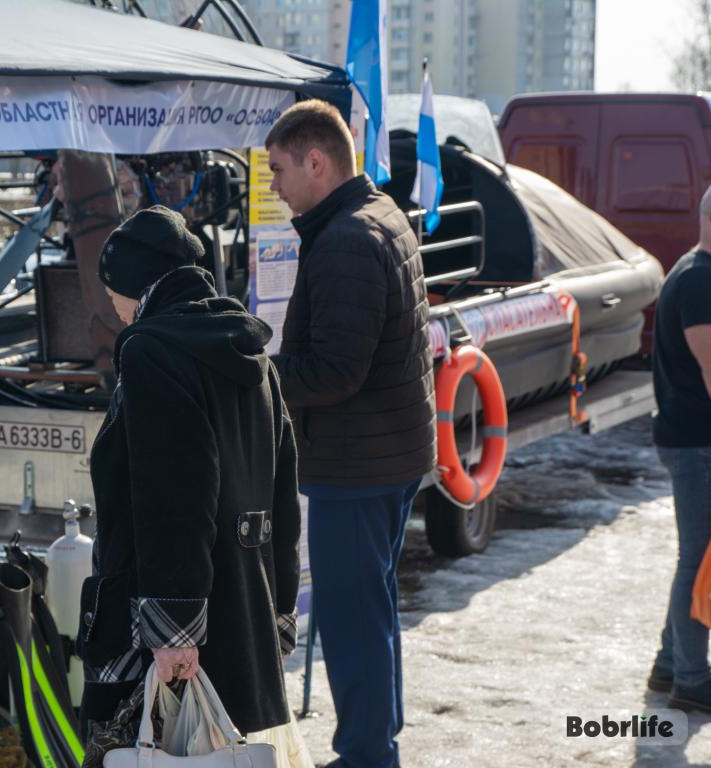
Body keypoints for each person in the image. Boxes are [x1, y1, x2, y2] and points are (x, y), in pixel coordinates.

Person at [77, 205, 301, 738]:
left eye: (115, 295)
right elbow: (283, 498)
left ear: (139, 285)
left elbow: (174, 496)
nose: (116, 310)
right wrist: (280, 609)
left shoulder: (152, 352)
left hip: (158, 622)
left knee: (151, 750)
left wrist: (174, 629)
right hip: (245, 610)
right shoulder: (252, 356)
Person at [266, 100, 436, 767]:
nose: (273, 185)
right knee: (370, 608)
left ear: (316, 161)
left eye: (279, 169)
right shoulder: (375, 215)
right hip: (383, 452)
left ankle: (367, 753)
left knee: (349, 618)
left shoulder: (344, 240)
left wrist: (259, 375)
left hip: (358, 463)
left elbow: (335, 370)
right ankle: (375, 741)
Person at [649, 185, 711, 712]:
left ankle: (670, 663)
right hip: (697, 443)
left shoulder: (692, 270)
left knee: (695, 555)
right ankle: (691, 678)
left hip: (690, 438)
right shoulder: (699, 281)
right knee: (697, 558)